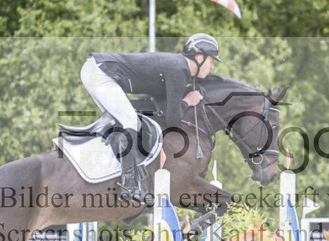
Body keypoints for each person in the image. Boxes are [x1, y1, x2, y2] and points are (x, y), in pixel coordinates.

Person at [80, 33, 222, 203]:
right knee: (130, 121)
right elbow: (172, 119)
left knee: (124, 123)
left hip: (97, 70)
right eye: (211, 60)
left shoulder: (178, 67)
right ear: (199, 58)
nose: (212, 66)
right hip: (99, 73)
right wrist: (187, 101)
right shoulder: (179, 70)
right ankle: (128, 186)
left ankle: (117, 177)